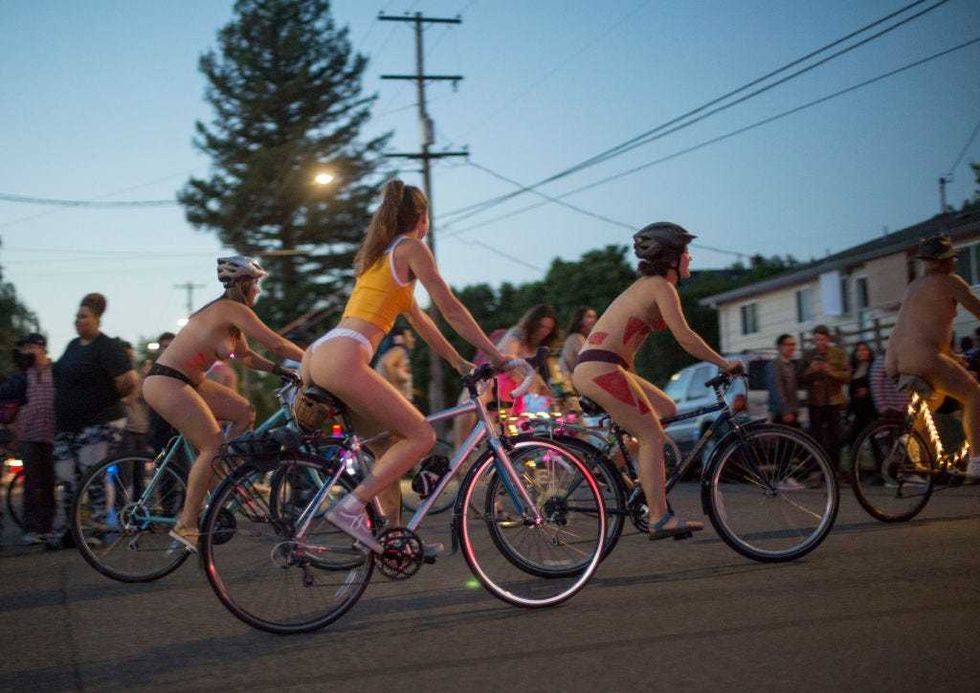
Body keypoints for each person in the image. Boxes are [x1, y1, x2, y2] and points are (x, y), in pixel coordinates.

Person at [301, 179, 511, 553]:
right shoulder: (411, 247)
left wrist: (459, 361)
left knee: (388, 449)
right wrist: (494, 355)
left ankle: (393, 541)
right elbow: (450, 308)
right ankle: (350, 508)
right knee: (422, 436)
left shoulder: (380, 259)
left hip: (319, 354)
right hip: (345, 356)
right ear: (422, 217)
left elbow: (422, 321)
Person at [572, 222, 736, 540]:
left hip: (602, 367)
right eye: (686, 252)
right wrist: (724, 363)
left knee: (666, 408)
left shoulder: (647, 286)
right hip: (601, 368)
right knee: (651, 435)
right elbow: (685, 337)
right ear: (671, 257)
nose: (690, 257)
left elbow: (627, 345)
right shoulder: (661, 286)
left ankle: (611, 465)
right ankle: (660, 518)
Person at [142, 257, 305, 551]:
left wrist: (282, 371)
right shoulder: (231, 309)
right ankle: (186, 524)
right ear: (243, 285)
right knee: (213, 445)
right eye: (255, 284)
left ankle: (218, 483)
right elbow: (277, 344)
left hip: (190, 382)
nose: (258, 290)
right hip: (166, 381)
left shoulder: (232, 321)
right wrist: (313, 360)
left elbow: (246, 357)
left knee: (244, 412)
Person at [884, 233, 980, 478]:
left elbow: (924, 329)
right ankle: (977, 461)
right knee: (973, 394)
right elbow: (977, 308)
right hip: (923, 357)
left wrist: (953, 357)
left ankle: (915, 454)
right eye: (952, 259)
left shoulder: (913, 286)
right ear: (946, 260)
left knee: (932, 401)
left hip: (894, 360)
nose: (954, 263)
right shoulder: (950, 282)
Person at [51, 293, 138, 548]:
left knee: (92, 473)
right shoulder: (72, 346)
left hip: (100, 421)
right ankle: (72, 528)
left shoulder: (107, 346)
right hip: (68, 423)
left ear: (97, 319)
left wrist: (111, 398)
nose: (78, 321)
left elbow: (129, 380)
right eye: (76, 317)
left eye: (84, 316)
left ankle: (98, 527)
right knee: (67, 475)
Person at [0, 334, 56, 544]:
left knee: (49, 483)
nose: (28, 352)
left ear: (42, 348)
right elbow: (10, 401)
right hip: (28, 435)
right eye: (25, 348)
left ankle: (47, 528)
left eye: (31, 347)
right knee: (31, 483)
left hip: (51, 434)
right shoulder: (23, 374)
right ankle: (30, 529)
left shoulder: (55, 371)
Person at [799, 325, 850, 476]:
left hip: (834, 401)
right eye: (817, 340)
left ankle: (834, 469)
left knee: (835, 437)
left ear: (828, 339)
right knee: (816, 437)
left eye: (822, 339)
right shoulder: (808, 355)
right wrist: (811, 370)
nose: (820, 342)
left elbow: (847, 376)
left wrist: (830, 371)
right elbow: (800, 379)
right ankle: (817, 470)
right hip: (815, 402)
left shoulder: (838, 354)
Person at [846, 341, 878, 443]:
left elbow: (878, 384)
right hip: (859, 411)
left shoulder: (873, 367)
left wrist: (867, 391)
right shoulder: (855, 369)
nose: (862, 353)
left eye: (864, 350)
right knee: (853, 439)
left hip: (871, 409)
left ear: (869, 352)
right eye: (859, 350)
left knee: (875, 440)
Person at [374, 325, 416, 404]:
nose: (413, 339)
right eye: (410, 336)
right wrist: (395, 389)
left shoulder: (394, 352)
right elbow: (387, 364)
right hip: (395, 399)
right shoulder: (399, 351)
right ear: (401, 338)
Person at [767, 334, 801, 426]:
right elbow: (777, 390)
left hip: (792, 411)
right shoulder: (775, 365)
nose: (792, 348)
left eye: (793, 345)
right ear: (780, 347)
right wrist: (785, 411)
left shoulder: (790, 365)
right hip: (782, 414)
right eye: (789, 345)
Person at [559, 307, 598, 379]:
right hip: (576, 379)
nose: (593, 320)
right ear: (580, 320)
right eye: (589, 317)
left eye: (594, 317)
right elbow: (590, 360)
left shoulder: (586, 338)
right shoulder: (576, 338)